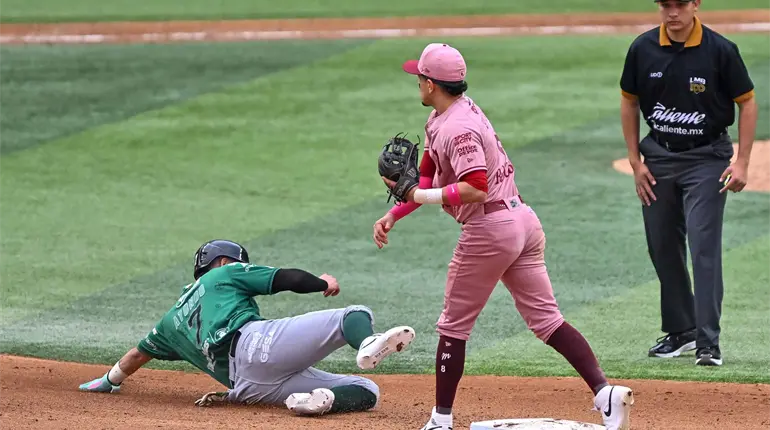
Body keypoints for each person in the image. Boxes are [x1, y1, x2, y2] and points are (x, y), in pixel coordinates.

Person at [373, 43, 634, 430]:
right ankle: (603, 392)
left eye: (419, 78)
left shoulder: (458, 128)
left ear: (430, 84)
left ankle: (440, 421)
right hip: (521, 221)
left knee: (452, 326)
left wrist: (418, 195)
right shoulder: (447, 116)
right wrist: (396, 212)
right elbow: (425, 179)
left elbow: (475, 187)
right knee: (547, 321)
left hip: (490, 227)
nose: (417, 83)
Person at [78, 239, 416, 416]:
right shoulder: (224, 273)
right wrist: (321, 282)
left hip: (249, 389)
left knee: (366, 391)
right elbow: (285, 278)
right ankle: (368, 342)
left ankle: (322, 400)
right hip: (256, 346)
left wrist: (107, 382)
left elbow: (137, 355)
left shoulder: (169, 321)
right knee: (352, 315)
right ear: (223, 262)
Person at [619, 0, 758, 366]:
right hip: (659, 160)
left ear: (696, 4)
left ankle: (708, 342)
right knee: (661, 245)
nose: (673, 11)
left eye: (681, 3)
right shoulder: (642, 48)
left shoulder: (721, 50)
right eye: (666, 4)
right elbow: (629, 102)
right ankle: (682, 330)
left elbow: (748, 101)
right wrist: (635, 162)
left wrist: (742, 161)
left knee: (703, 248)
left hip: (706, 159)